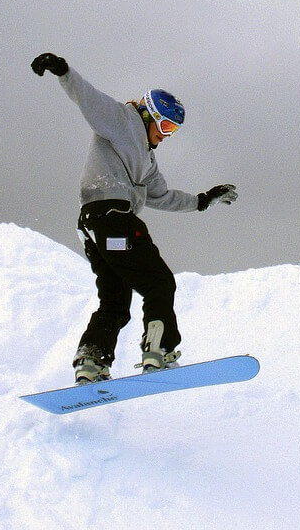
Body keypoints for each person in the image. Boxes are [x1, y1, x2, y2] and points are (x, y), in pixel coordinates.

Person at [31, 52, 238, 383]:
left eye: (174, 130)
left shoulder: (147, 160)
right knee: (159, 282)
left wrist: (202, 201)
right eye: (167, 126)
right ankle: (159, 351)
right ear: (150, 115)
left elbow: (161, 196)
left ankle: (91, 360)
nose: (167, 135)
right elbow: (88, 99)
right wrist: (63, 70)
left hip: (93, 226)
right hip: (113, 215)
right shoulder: (122, 120)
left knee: (115, 301)